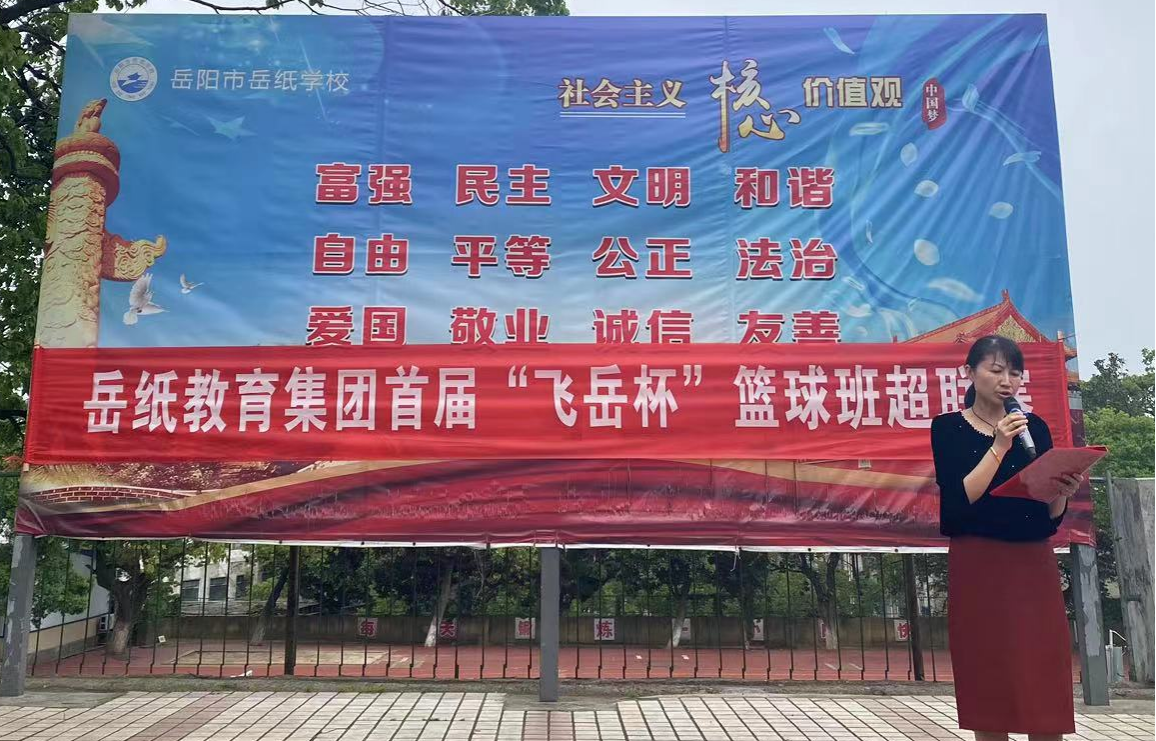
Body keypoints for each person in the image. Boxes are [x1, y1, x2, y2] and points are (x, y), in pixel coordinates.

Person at [930, 335, 1081, 739]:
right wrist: (999, 444)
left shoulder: (1036, 428)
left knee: (1042, 669)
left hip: (1032, 562)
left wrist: (1062, 492)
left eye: (1015, 373)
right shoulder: (948, 428)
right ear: (969, 372)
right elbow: (960, 499)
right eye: (996, 370)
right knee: (987, 670)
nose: (1006, 381)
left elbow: (1049, 515)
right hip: (978, 562)